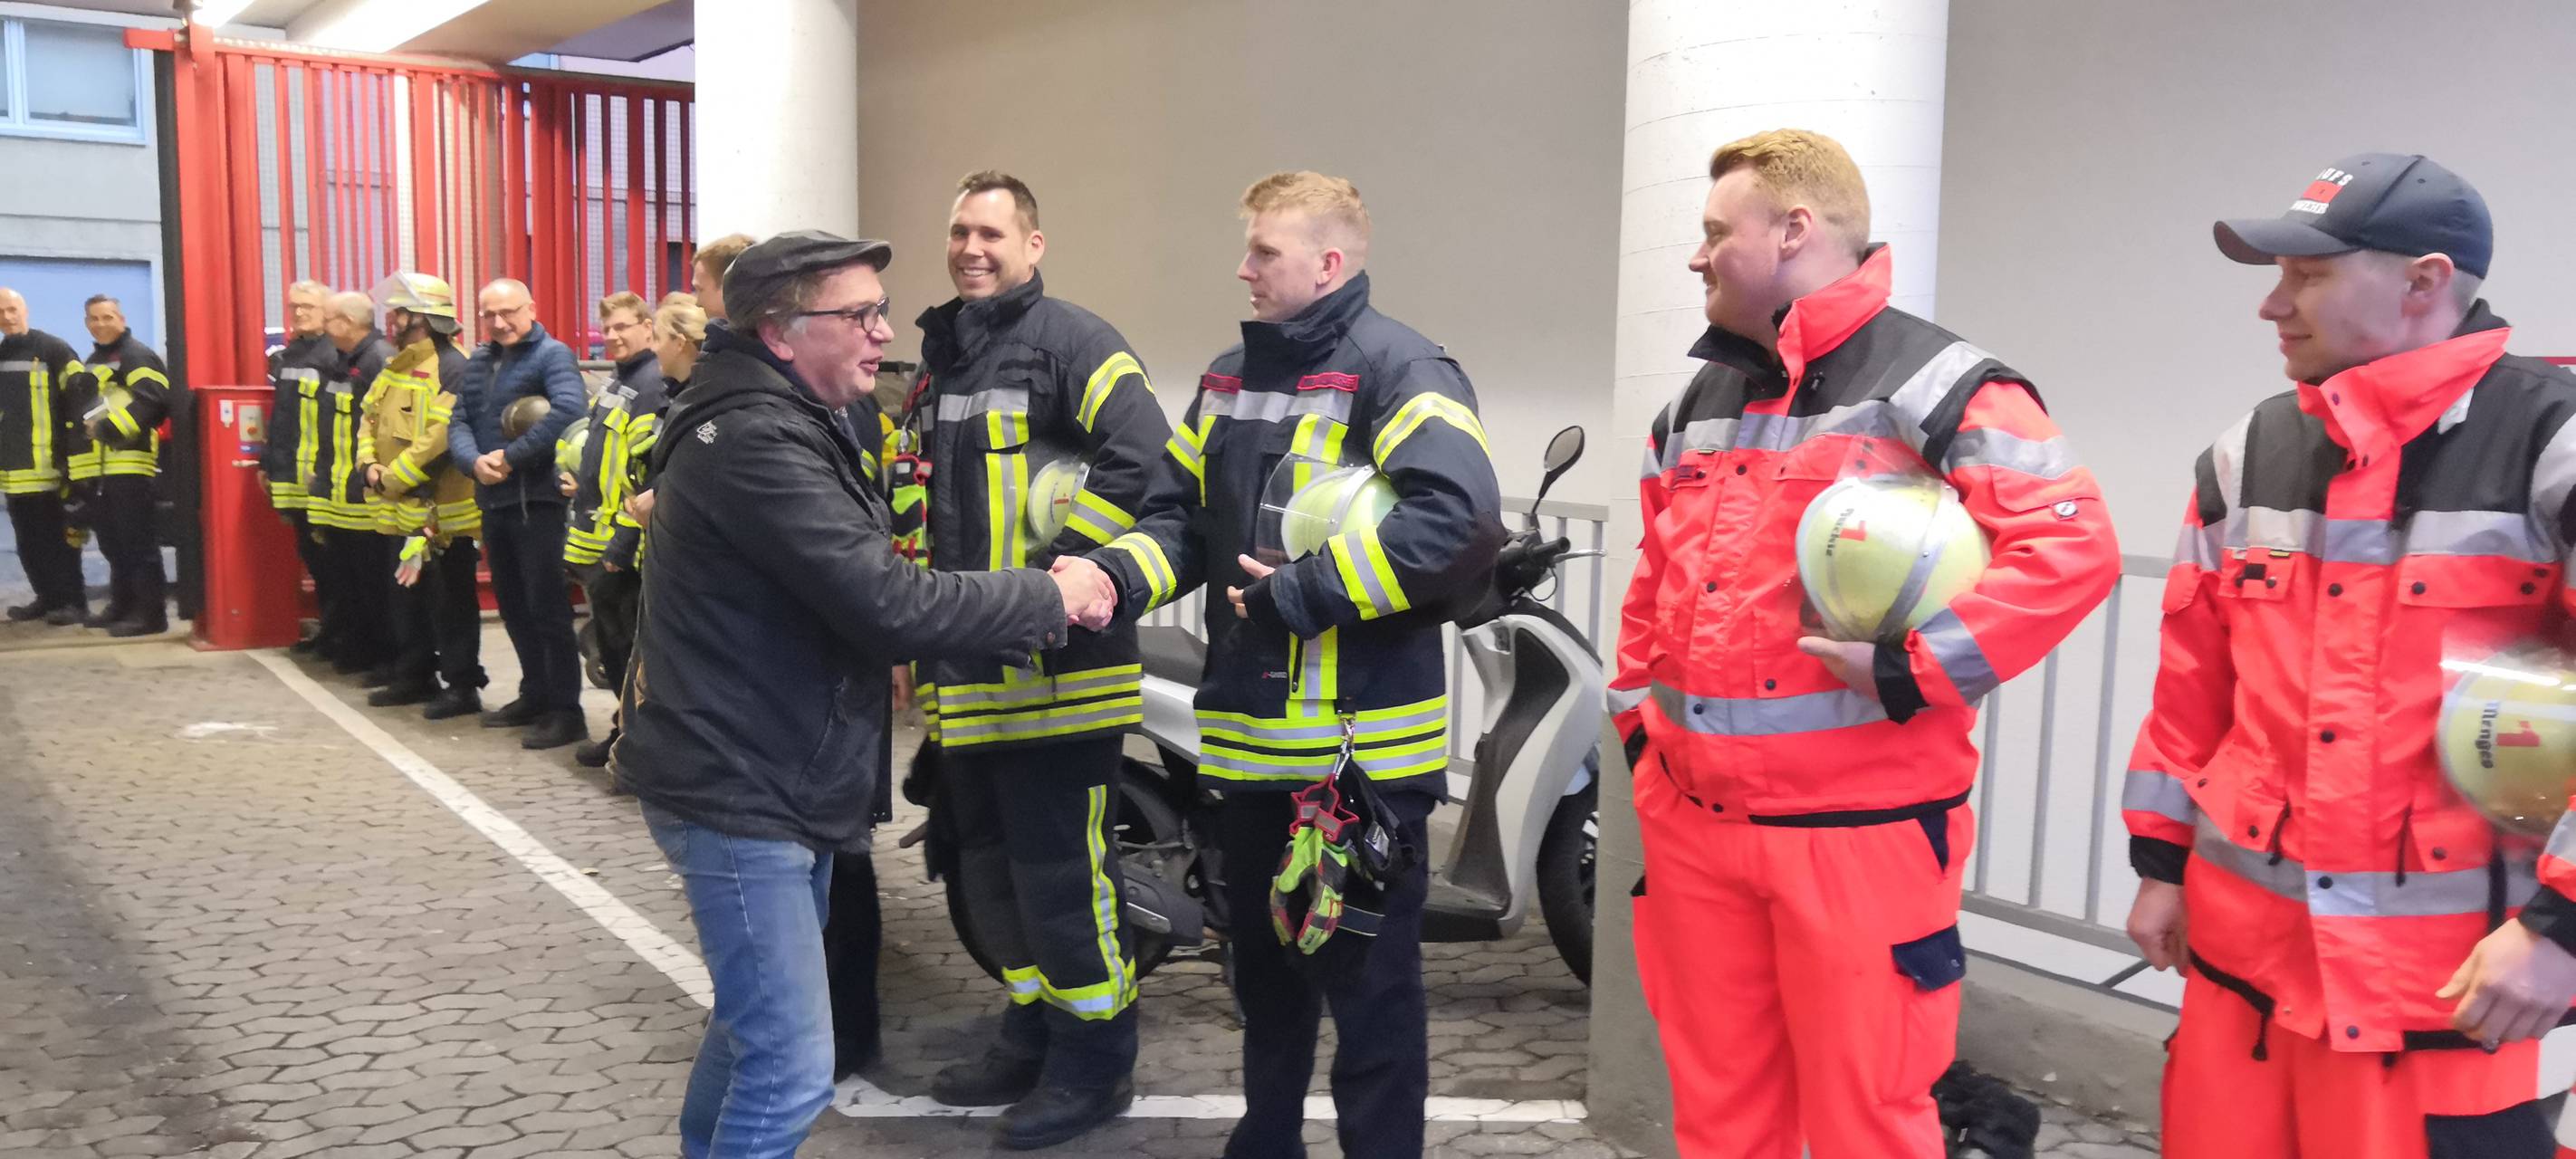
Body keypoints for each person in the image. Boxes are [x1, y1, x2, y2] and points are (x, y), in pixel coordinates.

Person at [1604, 129, 2120, 1158]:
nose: (1696, 256)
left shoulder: (1939, 384)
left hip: (1859, 833)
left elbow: (2073, 548)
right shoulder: (1698, 403)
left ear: (1794, 229)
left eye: (1715, 232)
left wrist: (1913, 666)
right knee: (1720, 1117)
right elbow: (1654, 585)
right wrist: (1640, 736)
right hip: (1698, 828)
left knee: (1868, 1121)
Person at [615, 229, 1110, 1159]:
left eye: (879, 311)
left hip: (765, 773)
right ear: (780, 331)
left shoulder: (779, 412)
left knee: (749, 1027)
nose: (884, 333)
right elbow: (887, 600)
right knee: (794, 1063)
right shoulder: (758, 437)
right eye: (859, 315)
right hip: (742, 785)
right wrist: (1051, 591)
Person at [2124, 153, 2575, 1158]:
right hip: (2242, 969)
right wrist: (2159, 861)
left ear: (2422, 282)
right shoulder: (2249, 450)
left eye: (2309, 275)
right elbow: (2194, 679)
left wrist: (2559, 930)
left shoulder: (2552, 444)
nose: (2272, 305)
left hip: (2449, 991)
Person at [1059, 171, 1504, 1159]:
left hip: (1356, 769)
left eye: (1262, 251)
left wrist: (1304, 591)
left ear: (1327, 262)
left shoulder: (1402, 370)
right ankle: (1265, 1141)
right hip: (1250, 754)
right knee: (1263, 978)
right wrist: (1105, 581)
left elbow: (1463, 520)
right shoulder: (1227, 377)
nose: (1243, 268)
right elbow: (1178, 516)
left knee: (1369, 995)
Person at [903, 170, 1172, 1145]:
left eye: (991, 233)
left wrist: (1069, 571)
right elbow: (925, 503)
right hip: (965, 674)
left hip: (1059, 674)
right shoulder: (945, 357)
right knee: (988, 872)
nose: (971, 248)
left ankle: (1095, 1061)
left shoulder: (1075, 342)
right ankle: (1030, 1025)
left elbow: (1148, 456)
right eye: (958, 231)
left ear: (1034, 244)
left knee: (1062, 876)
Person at [448, 278, 589, 750]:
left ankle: (565, 711)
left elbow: (569, 409)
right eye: (491, 314)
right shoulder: (480, 361)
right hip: (495, 501)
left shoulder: (553, 355)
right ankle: (535, 693)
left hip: (539, 503)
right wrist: (474, 462)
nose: (500, 322)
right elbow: (460, 422)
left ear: (531, 307)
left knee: (547, 608)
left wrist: (509, 458)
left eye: (509, 312)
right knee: (513, 607)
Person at [359, 277, 487, 721]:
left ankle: (462, 685)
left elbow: (440, 441)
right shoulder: (396, 365)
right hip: (397, 511)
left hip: (441, 517)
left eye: (400, 313)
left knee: (449, 603)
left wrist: (391, 478)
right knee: (405, 599)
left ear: (421, 317)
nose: (392, 320)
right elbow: (369, 419)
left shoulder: (453, 366)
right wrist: (367, 464)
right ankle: (414, 674)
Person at [560, 291, 663, 766]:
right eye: (609, 328)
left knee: (628, 649)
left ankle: (634, 742)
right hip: (598, 535)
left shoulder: (652, 383)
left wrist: (624, 539)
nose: (614, 336)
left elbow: (647, 472)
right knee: (614, 646)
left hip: (625, 543)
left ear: (648, 325)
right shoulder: (617, 381)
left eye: (624, 326)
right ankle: (624, 733)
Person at [66, 295, 172, 637]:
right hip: (100, 467)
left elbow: (154, 398)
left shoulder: (136, 355)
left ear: (121, 318)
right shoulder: (95, 359)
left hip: (129, 462)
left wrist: (111, 430)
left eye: (107, 317)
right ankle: (123, 606)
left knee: (137, 541)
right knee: (112, 543)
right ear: (86, 323)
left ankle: (150, 615)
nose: (101, 324)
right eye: (94, 318)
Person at [312, 292, 398, 681]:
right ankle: (359, 649)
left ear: (347, 322)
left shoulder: (377, 360)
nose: (322, 326)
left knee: (375, 584)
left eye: (328, 318)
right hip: (341, 492)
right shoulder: (342, 362)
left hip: (366, 493)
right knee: (350, 581)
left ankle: (384, 657)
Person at [0, 288, 91, 626]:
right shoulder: (2, 354)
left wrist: (74, 455)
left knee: (60, 540)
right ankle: (47, 598)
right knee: (28, 542)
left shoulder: (52, 349)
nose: (7, 317)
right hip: (14, 470)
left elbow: (81, 398)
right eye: (1, 312)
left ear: (26, 310)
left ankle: (74, 603)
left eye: (12, 309)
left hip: (51, 468)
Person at [263, 281, 342, 653]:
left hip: (321, 478)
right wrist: (267, 464)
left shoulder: (335, 355)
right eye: (294, 306)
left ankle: (342, 636)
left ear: (328, 311)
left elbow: (335, 422)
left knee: (334, 563)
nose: (299, 313)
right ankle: (329, 632)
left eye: (308, 306)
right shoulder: (288, 356)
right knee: (315, 560)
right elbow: (280, 418)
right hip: (292, 478)